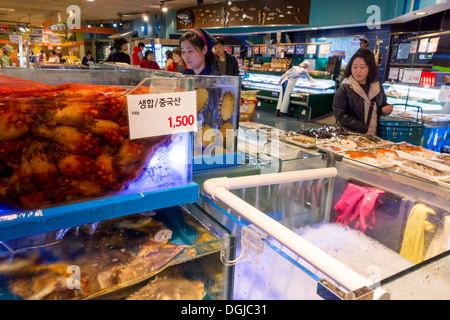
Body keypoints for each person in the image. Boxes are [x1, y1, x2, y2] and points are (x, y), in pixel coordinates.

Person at [332, 48, 393, 136]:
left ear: (370, 68)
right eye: (355, 67)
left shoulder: (377, 87)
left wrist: (384, 109)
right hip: (349, 137)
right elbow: (340, 114)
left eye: (362, 67)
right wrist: (362, 128)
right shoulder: (345, 88)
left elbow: (381, 105)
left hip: (372, 136)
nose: (358, 71)